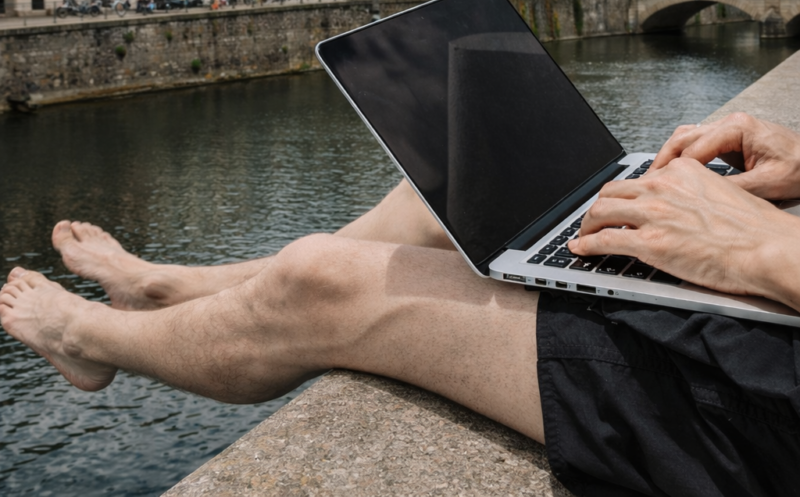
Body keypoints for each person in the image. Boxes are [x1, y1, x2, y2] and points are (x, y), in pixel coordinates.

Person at [3, 112, 800, 496]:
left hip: (765, 397)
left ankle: (87, 337)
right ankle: (178, 287)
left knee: (322, 282)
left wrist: (765, 252)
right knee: (453, 181)